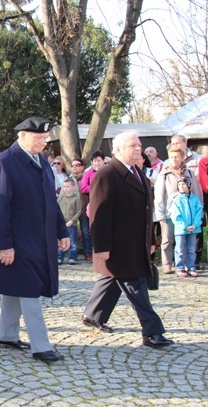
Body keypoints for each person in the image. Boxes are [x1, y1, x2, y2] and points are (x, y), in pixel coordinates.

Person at [0, 117, 69, 363]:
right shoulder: (4, 163)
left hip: (39, 240)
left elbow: (50, 201)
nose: (43, 143)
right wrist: (4, 244)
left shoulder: (41, 161)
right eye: (38, 138)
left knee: (16, 288)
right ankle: (41, 346)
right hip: (17, 241)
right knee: (30, 290)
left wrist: (61, 231)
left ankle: (6, 335)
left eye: (45, 138)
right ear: (22, 135)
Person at [82, 132, 173, 348]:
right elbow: (98, 214)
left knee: (111, 279)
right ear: (118, 149)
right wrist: (101, 246)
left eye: (139, 145)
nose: (137, 149)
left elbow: (146, 211)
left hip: (135, 242)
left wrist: (151, 239)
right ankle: (152, 331)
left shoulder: (137, 172)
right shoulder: (106, 174)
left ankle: (92, 315)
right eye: (132, 145)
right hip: (118, 245)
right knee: (135, 286)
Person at [154, 146, 202, 274]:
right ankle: (167, 263)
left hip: (187, 213)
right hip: (169, 212)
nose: (174, 159)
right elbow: (159, 194)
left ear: (182, 158)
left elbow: (197, 191)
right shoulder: (164, 174)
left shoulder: (189, 173)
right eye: (171, 157)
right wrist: (160, 213)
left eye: (176, 157)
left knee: (186, 240)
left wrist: (200, 210)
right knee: (168, 240)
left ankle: (185, 265)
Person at [170, 177, 203, 277]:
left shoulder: (195, 199)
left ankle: (191, 267)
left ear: (188, 185)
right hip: (181, 229)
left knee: (191, 249)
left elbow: (199, 212)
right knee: (179, 249)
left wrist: (195, 225)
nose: (181, 186)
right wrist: (184, 226)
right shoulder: (176, 200)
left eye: (183, 184)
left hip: (194, 229)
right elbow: (175, 215)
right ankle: (179, 267)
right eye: (179, 185)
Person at [79, 151, 105, 262]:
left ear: (103, 161)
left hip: (107, 203)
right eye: (94, 161)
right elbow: (83, 187)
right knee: (90, 230)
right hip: (93, 202)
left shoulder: (109, 171)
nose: (97, 163)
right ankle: (90, 252)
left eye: (99, 160)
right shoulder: (88, 173)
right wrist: (96, 188)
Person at [57, 178, 81, 265]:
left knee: (73, 242)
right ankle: (59, 257)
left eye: (67, 186)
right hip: (62, 224)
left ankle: (72, 257)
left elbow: (79, 211)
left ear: (73, 187)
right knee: (60, 241)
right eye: (64, 187)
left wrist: (72, 221)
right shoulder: (61, 197)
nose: (65, 188)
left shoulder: (76, 198)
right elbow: (57, 209)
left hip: (72, 224)